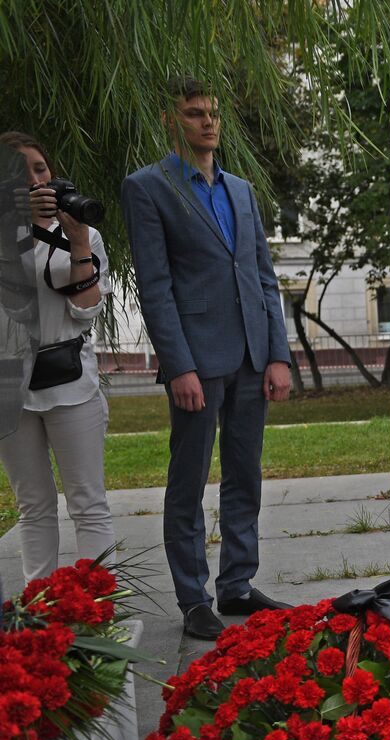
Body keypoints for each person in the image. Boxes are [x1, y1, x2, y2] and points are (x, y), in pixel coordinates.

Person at [120, 78, 293, 641]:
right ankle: (194, 598)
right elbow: (155, 285)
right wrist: (179, 365)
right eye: (195, 114)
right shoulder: (148, 187)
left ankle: (237, 586)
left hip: (250, 356)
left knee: (246, 473)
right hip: (197, 360)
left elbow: (264, 278)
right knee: (188, 480)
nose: (208, 123)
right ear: (174, 123)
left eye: (213, 114)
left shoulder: (242, 191)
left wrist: (277, 355)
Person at [0, 132, 114, 581]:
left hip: (70, 380)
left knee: (87, 500)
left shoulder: (83, 234)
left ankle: (98, 608)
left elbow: (84, 310)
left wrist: (80, 241)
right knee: (33, 506)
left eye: (40, 168)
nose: (35, 180)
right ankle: (41, 612)